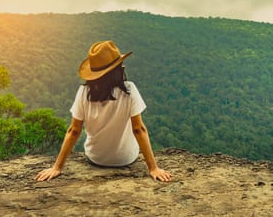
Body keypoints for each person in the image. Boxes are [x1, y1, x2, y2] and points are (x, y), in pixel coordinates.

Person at [35, 40, 172, 182]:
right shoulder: (130, 90)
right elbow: (139, 129)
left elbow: (74, 131)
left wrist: (57, 167)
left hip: (96, 158)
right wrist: (153, 168)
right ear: (118, 69)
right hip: (125, 159)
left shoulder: (84, 92)